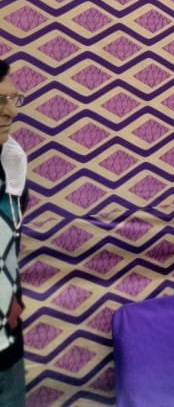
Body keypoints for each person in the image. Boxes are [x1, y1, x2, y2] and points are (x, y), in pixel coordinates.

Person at [0, 60, 27, 407]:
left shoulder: (13, 161)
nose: (10, 111)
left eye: (13, 99)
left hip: (7, 337)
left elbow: (9, 242)